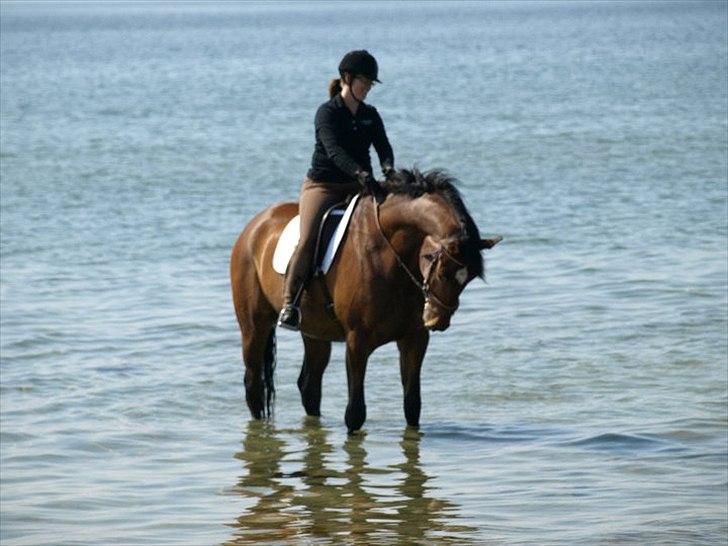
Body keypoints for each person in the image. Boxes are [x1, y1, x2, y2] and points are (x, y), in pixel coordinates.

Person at [278, 49, 395, 331]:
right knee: (308, 239)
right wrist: (360, 173)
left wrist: (389, 170)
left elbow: (384, 147)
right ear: (347, 78)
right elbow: (334, 152)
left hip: (359, 185)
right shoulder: (327, 113)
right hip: (324, 186)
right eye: (363, 82)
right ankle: (289, 304)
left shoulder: (370, 115)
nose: (367, 88)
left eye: (370, 84)